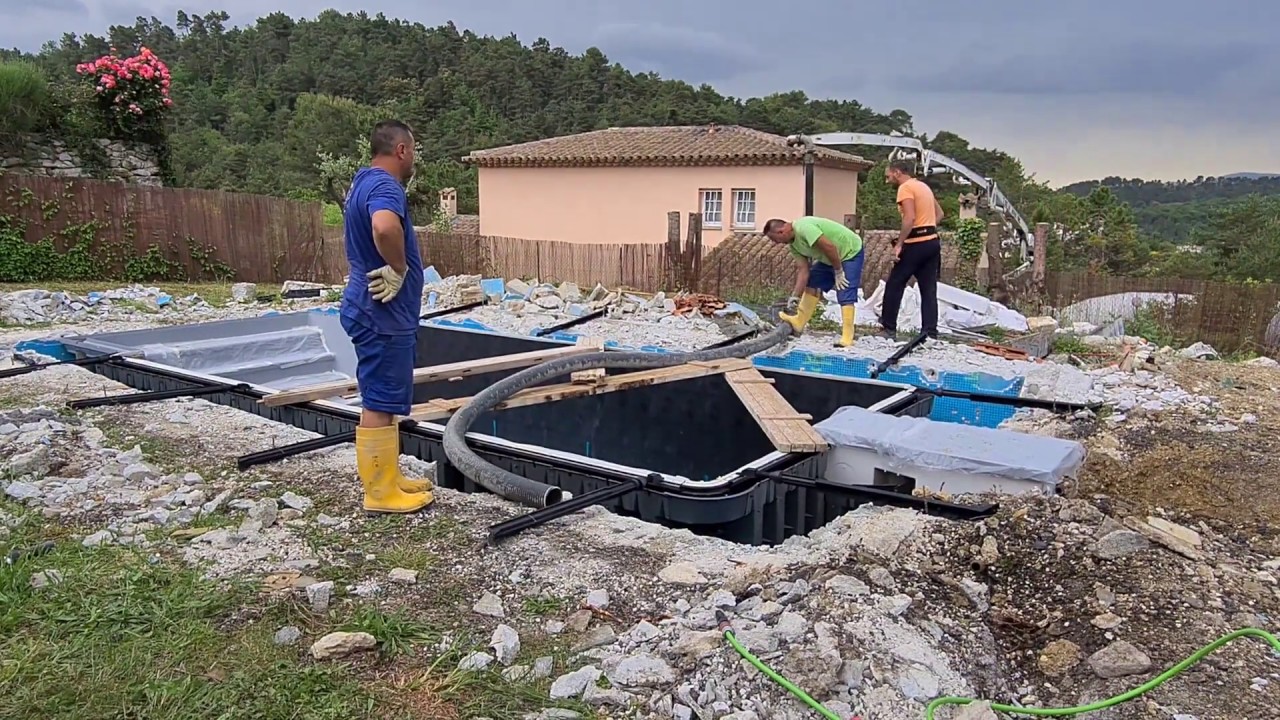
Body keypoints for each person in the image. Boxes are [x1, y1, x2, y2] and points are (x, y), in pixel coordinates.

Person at [340, 119, 431, 514]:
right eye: (413, 149)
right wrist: (399, 266)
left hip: (376, 310)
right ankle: (379, 493)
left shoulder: (363, 181)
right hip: (381, 312)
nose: (414, 157)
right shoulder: (384, 186)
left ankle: (389, 477)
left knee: (386, 397)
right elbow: (383, 226)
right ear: (401, 151)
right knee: (378, 399)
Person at [763, 215, 865, 347]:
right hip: (829, 258)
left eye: (774, 239)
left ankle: (847, 336)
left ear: (781, 231)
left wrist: (839, 271)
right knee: (812, 282)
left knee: (844, 289)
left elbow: (830, 247)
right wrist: (795, 296)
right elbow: (803, 270)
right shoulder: (794, 246)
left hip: (850, 252)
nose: (775, 243)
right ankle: (799, 322)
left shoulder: (804, 228)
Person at [881, 159, 945, 339]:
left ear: (897, 172)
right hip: (932, 241)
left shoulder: (905, 188)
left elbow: (909, 218)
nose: (887, 181)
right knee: (928, 289)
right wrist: (927, 226)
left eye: (888, 176)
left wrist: (900, 243)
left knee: (895, 283)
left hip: (916, 243)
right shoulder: (923, 187)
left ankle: (888, 328)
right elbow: (939, 214)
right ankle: (930, 332)